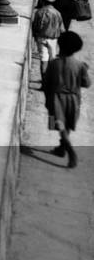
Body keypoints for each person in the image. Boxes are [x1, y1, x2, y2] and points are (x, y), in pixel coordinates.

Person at [44, 31, 90, 168]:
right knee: (68, 123)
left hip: (56, 98)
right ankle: (62, 148)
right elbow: (86, 84)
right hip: (74, 99)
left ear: (60, 45)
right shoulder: (80, 65)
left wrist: (48, 101)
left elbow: (47, 84)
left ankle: (70, 150)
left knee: (60, 124)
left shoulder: (53, 64)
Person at [32, 0, 65, 84]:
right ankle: (52, 81)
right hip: (53, 39)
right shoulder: (57, 13)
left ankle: (44, 82)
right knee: (53, 59)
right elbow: (62, 29)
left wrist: (35, 36)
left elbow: (35, 27)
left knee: (43, 60)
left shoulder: (39, 12)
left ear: (42, 0)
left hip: (41, 39)